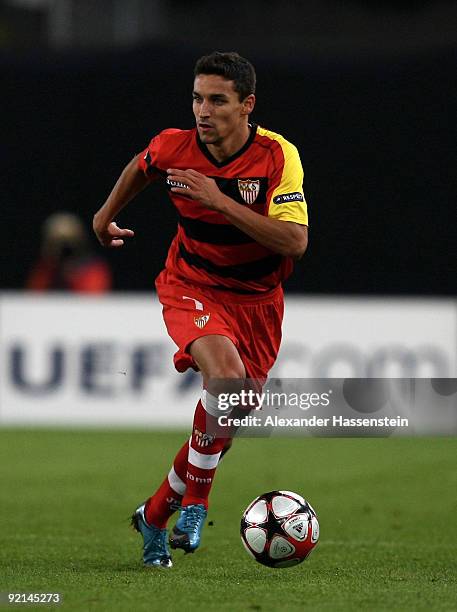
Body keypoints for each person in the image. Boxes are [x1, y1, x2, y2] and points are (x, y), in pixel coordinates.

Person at [93, 51, 308, 569]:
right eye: (197, 98)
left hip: (258, 302)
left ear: (247, 105)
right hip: (191, 284)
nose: (203, 110)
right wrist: (104, 217)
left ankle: (153, 512)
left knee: (225, 422)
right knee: (227, 382)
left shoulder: (277, 157)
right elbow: (143, 166)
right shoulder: (176, 145)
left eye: (217, 100)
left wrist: (219, 201)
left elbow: (294, 242)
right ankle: (197, 502)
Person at [27, 212, 112, 293]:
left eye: (68, 243)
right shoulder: (44, 272)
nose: (63, 251)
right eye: (56, 243)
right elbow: (34, 299)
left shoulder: (94, 271)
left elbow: (92, 301)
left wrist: (73, 274)